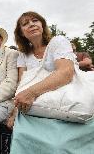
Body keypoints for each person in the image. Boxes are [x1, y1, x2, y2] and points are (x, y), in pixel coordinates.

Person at [8, 11, 94, 153]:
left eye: (35, 20)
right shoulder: (23, 55)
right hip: (34, 109)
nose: (31, 24)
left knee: (58, 145)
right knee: (21, 137)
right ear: (21, 33)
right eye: (25, 23)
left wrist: (31, 92)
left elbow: (65, 73)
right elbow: (21, 84)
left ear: (42, 25)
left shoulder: (58, 42)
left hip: (67, 105)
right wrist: (13, 113)